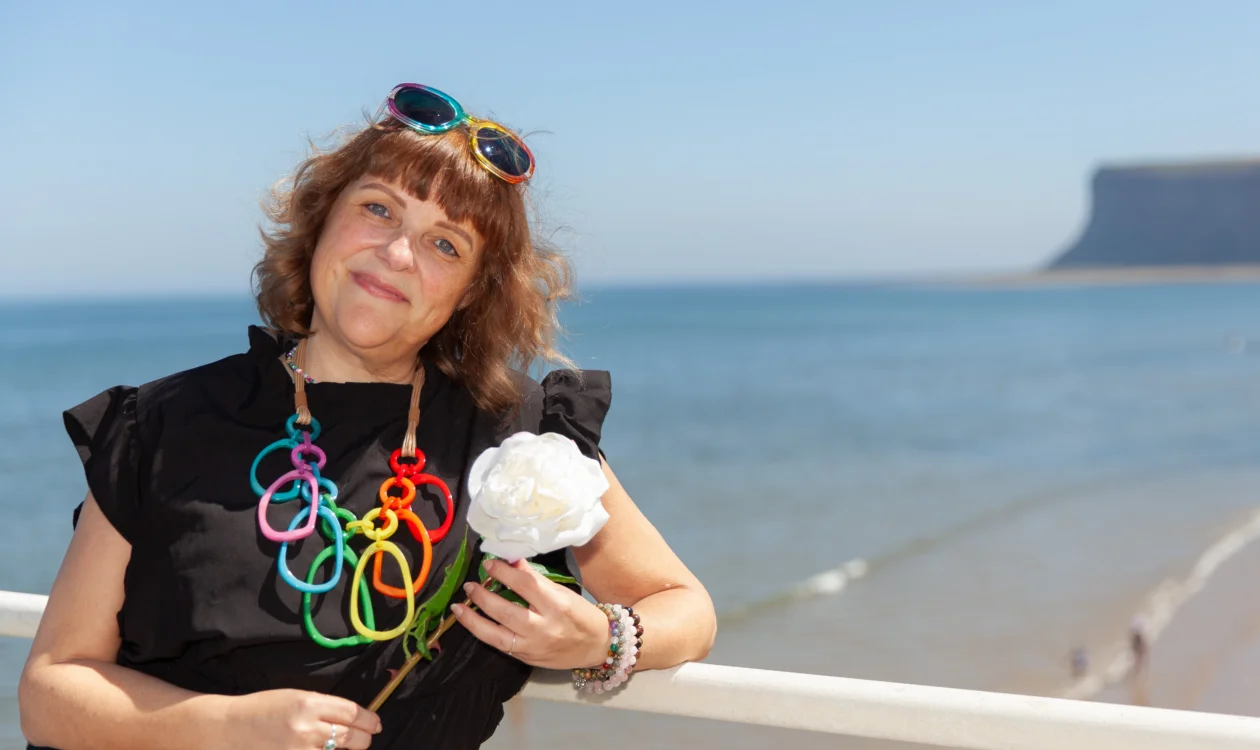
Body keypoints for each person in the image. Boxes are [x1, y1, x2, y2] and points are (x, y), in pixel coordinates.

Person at [18, 83, 717, 750]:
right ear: (322, 216)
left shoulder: (522, 432)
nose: (398, 253)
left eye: (447, 244)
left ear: (473, 294)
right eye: (379, 209)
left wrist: (600, 638)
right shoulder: (162, 425)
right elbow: (50, 693)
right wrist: (228, 728)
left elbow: (684, 607)